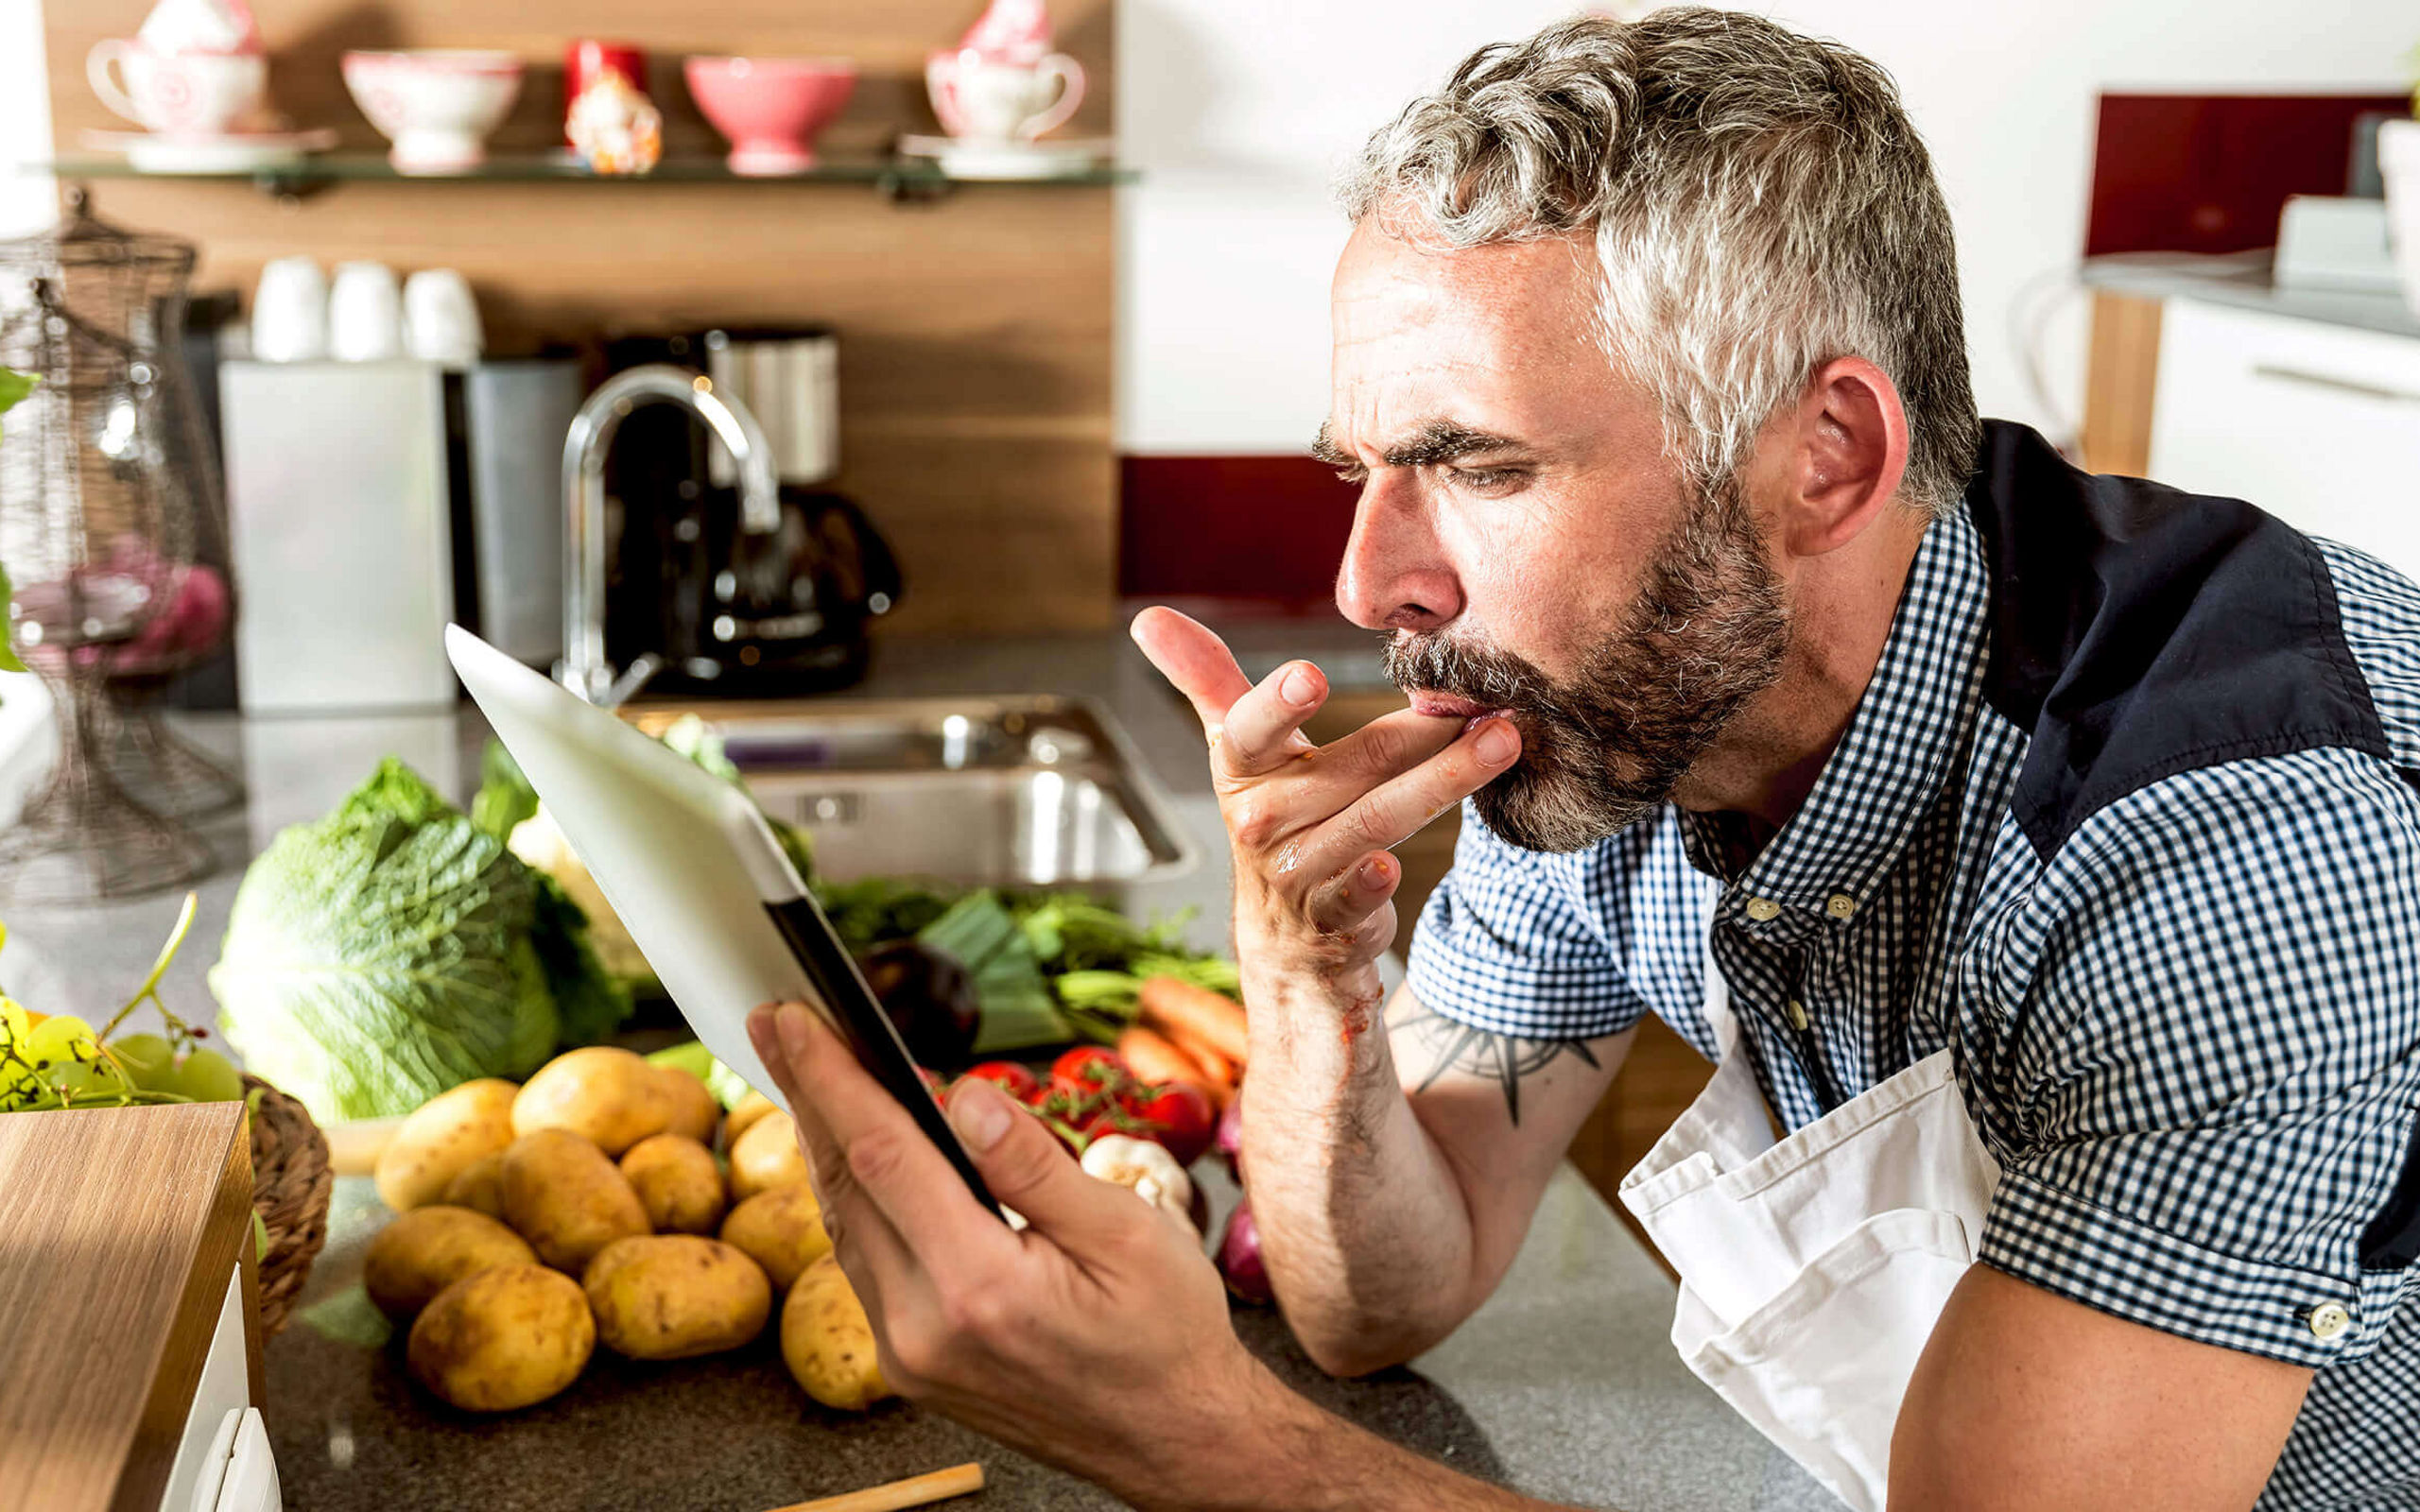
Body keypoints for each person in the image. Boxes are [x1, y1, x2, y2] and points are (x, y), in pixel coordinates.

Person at [746, 9, 2420, 1509]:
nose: (1366, 586)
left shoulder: (2222, 861)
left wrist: (1194, 1439)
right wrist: (1305, 981)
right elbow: (1379, 1300)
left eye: (1473, 465)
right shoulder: (1641, 717)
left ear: (1827, 459)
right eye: (1363, 472)